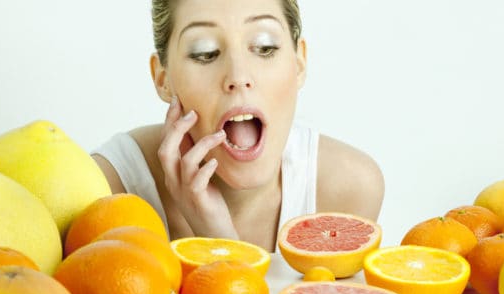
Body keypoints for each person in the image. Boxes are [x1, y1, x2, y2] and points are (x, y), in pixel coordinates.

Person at [92, 0, 384, 253]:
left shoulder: (349, 191)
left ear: (299, 63)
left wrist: (220, 242)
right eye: (205, 53)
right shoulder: (106, 190)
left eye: (265, 47)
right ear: (162, 79)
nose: (238, 75)